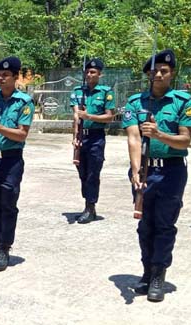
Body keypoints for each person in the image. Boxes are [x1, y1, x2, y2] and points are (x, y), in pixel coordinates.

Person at [122, 49, 191, 302]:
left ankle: (158, 274)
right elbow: (133, 136)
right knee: (145, 224)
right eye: (153, 71)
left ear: (171, 73)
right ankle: (146, 270)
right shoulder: (135, 102)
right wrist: (135, 170)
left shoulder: (183, 102)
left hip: (172, 171)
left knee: (164, 224)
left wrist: (159, 135)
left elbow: (185, 140)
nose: (158, 75)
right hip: (144, 169)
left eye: (163, 71)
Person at [0, 56, 34, 272]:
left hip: (11, 161)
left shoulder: (23, 102)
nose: (1, 79)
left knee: (8, 204)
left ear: (15, 77)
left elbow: (21, 135)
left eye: (5, 75)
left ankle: (5, 247)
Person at [70, 58, 116, 223]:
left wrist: (89, 116)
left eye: (93, 72)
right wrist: (75, 137)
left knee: (92, 173)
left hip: (96, 137)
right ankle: (87, 205)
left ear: (99, 74)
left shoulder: (105, 92)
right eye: (87, 72)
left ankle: (91, 207)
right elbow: (76, 117)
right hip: (82, 135)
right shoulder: (77, 91)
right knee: (82, 172)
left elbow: (110, 117)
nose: (89, 75)